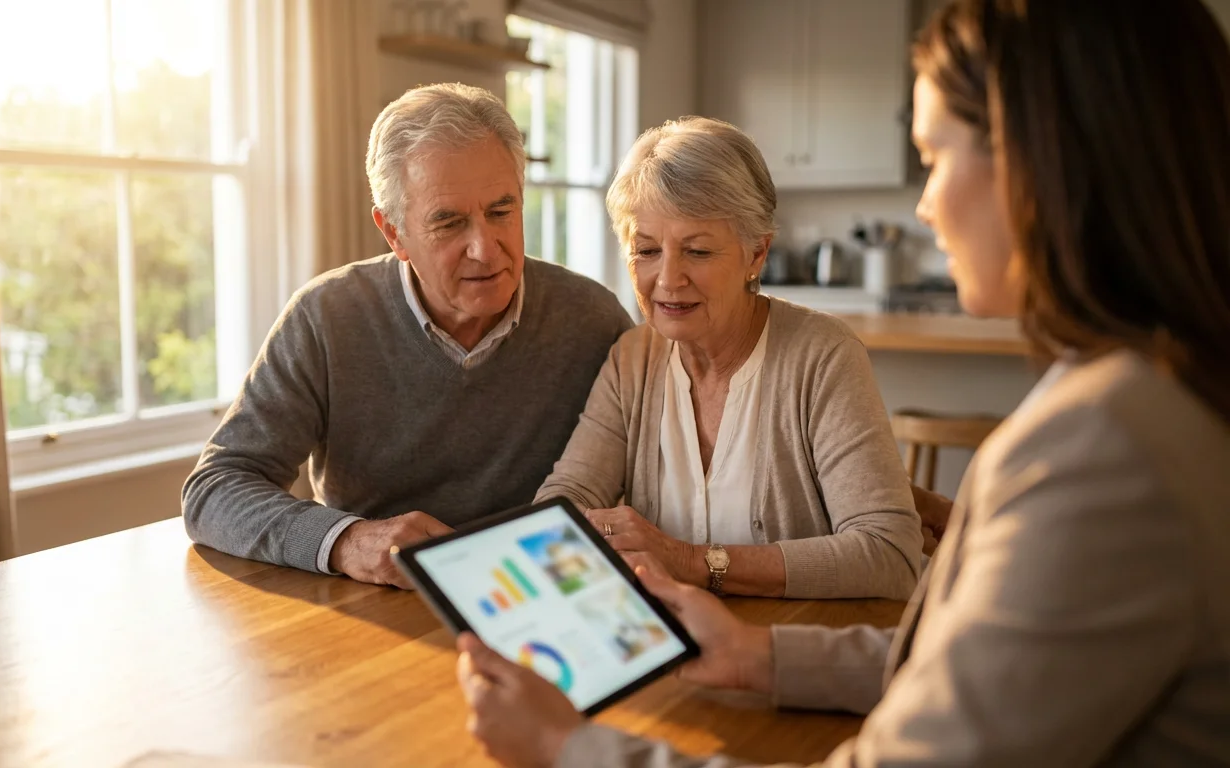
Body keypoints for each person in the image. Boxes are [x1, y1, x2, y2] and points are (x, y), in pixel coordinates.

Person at [455, 0, 1230, 764]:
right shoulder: (1142, 399)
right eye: (646, 250)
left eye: (934, 158)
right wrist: (759, 656)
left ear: (1044, 162)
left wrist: (566, 746)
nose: (924, 207)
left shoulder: (1104, 450)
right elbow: (985, 669)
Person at [182, 83, 632, 588]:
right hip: (375, 608)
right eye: (450, 222)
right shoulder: (326, 316)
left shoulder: (593, 319)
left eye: (501, 211)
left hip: (543, 594)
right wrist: (349, 540)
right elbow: (215, 488)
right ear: (393, 232)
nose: (485, 248)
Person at [534, 117, 922, 600]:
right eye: (647, 250)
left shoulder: (823, 357)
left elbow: (889, 554)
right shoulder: (632, 359)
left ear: (756, 255)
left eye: (697, 251)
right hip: (673, 648)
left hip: (790, 651)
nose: (668, 279)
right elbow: (568, 496)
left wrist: (689, 562)